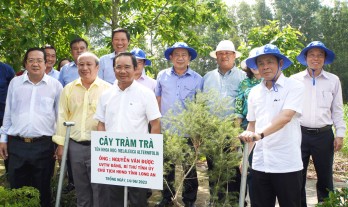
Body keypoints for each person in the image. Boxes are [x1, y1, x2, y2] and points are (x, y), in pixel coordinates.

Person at [238, 44, 304, 207]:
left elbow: (285, 117)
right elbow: (251, 126)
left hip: (286, 164)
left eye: (269, 62)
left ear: (280, 63)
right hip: (260, 163)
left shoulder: (294, 87)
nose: (265, 66)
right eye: (260, 63)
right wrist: (245, 158)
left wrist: (260, 135)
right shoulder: (254, 92)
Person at [94, 52, 161, 207]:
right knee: (113, 198)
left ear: (136, 68)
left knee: (138, 199)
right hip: (112, 158)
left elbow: (155, 124)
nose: (122, 71)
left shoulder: (146, 93)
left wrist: (151, 155)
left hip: (137, 157)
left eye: (127, 67)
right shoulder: (106, 95)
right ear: (113, 69)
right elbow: (101, 123)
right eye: (118, 67)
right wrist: (101, 150)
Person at [0, 48, 63, 207]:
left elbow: (60, 117)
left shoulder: (55, 85)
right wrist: (3, 139)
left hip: (43, 145)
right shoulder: (15, 83)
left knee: (42, 189)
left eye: (39, 60)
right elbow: (8, 112)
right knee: (17, 189)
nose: (35, 64)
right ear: (25, 63)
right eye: (31, 60)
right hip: (17, 144)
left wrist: (60, 144)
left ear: (45, 62)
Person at [291, 41, 346, 206]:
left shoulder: (333, 80)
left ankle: (327, 204)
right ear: (305, 58)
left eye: (320, 55)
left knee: (325, 177)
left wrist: (340, 134)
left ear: (325, 58)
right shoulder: (295, 80)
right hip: (299, 134)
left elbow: (337, 109)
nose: (316, 58)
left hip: (324, 135)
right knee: (297, 176)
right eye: (312, 55)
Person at [53, 52, 111, 206]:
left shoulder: (108, 89)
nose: (84, 68)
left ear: (97, 67)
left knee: (100, 190)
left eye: (89, 64)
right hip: (75, 145)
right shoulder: (69, 89)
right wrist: (60, 144)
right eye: (81, 64)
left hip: (99, 146)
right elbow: (62, 116)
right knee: (81, 189)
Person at [155, 42, 203, 207]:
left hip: (187, 131)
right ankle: (166, 197)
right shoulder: (162, 75)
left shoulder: (198, 79)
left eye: (184, 55)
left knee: (189, 169)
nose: (180, 58)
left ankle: (189, 200)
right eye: (177, 55)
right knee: (166, 167)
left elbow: (199, 106)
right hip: (167, 130)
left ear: (189, 58)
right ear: (171, 57)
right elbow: (158, 100)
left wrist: (197, 133)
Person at [203, 40, 246, 203]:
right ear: (216, 57)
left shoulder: (243, 77)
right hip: (212, 131)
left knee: (236, 170)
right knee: (214, 168)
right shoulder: (207, 77)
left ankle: (237, 202)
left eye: (228, 53)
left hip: (235, 131)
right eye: (220, 53)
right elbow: (201, 102)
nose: (224, 56)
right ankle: (216, 201)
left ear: (234, 56)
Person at [235, 47, 262, 206]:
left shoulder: (269, 80)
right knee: (246, 167)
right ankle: (245, 200)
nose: (255, 67)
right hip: (247, 129)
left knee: (260, 169)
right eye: (252, 63)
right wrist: (234, 130)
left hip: (266, 130)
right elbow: (238, 107)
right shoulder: (244, 83)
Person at [0, 62, 15, 175]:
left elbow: (14, 91)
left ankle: (10, 175)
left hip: (3, 116)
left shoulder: (6, 69)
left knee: (6, 149)